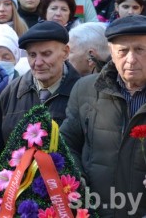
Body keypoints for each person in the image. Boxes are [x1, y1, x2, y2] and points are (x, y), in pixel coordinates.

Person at [61, 16, 146, 218]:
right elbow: (67, 142)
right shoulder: (85, 89)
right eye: (123, 51)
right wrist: (77, 178)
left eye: (140, 50)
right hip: (94, 210)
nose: (131, 59)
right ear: (112, 53)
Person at [0, 21, 81, 154]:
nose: (38, 63)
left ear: (65, 52)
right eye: (32, 55)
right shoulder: (11, 93)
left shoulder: (82, 94)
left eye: (46, 54)